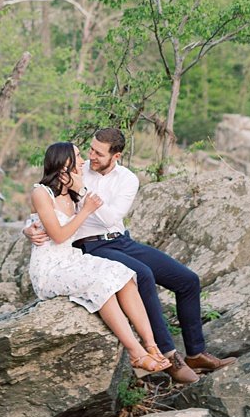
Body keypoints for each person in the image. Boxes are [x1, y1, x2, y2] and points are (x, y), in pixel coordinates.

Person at [23, 127, 231, 386]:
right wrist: (29, 229)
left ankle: (196, 353)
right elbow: (48, 205)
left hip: (121, 240)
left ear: (116, 156)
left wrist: (85, 191)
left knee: (187, 280)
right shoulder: (78, 169)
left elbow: (110, 217)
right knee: (141, 275)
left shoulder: (127, 179)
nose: (91, 158)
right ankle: (169, 356)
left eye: (98, 153)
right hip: (91, 246)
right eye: (89, 151)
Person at [25, 142, 172, 374]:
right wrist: (84, 210)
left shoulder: (72, 192)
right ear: (64, 162)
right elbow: (58, 235)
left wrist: (82, 198)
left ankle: (151, 345)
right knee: (102, 284)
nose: (83, 161)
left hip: (72, 259)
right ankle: (135, 353)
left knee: (124, 275)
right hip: (50, 268)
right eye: (78, 156)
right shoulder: (41, 193)